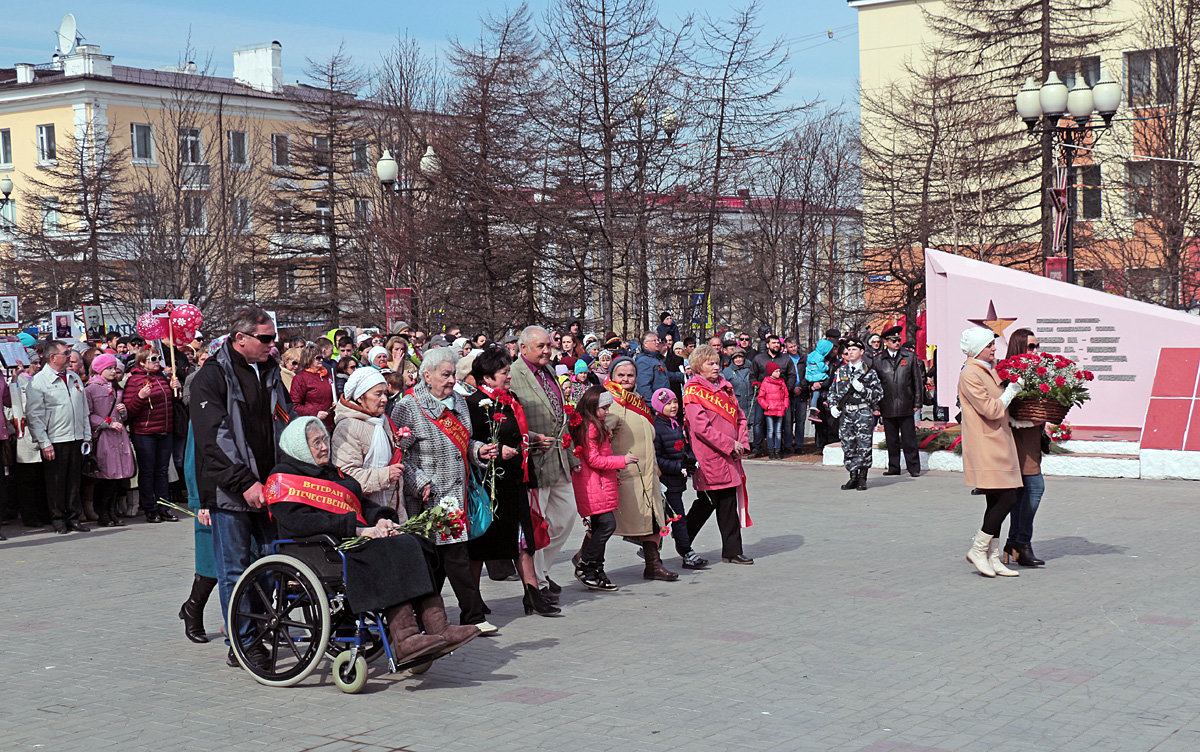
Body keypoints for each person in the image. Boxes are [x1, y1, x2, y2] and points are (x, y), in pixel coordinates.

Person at [267, 417, 479, 662]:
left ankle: (437, 626)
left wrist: (380, 519)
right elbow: (299, 522)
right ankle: (405, 638)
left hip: (351, 540)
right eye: (316, 442)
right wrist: (356, 530)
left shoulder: (331, 472)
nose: (325, 446)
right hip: (320, 549)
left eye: (325, 439)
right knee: (388, 552)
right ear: (300, 447)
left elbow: (361, 503)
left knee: (415, 542)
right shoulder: (283, 478)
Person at [191, 307, 295, 667]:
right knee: (235, 570)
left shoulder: (269, 371)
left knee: (272, 561)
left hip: (272, 484)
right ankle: (243, 642)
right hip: (231, 489)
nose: (272, 345)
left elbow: (286, 421)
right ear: (241, 338)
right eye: (265, 339)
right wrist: (244, 481)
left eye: (273, 339)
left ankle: (263, 630)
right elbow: (214, 439)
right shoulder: (211, 377)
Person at [392, 346, 500, 634]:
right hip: (432, 496)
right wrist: (419, 482)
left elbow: (465, 443)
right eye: (445, 374)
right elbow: (399, 454)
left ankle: (431, 617)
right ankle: (472, 615)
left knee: (441, 560)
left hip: (458, 490)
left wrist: (480, 451)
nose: (452, 380)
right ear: (427, 376)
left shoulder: (459, 403)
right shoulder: (408, 406)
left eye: (453, 374)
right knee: (453, 556)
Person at [465, 346, 561, 616]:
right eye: (503, 372)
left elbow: (515, 431)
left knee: (523, 540)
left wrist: (533, 439)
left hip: (515, 480)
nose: (509, 377)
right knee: (481, 544)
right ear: (486, 378)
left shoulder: (511, 399)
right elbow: (469, 442)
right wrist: (492, 451)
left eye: (508, 372)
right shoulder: (473, 405)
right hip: (490, 485)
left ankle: (532, 595)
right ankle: (471, 599)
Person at [509, 326, 578, 602]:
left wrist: (571, 455)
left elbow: (561, 417)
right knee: (538, 523)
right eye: (541, 346)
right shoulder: (515, 375)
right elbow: (513, 419)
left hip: (558, 458)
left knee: (565, 516)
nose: (547, 351)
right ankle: (536, 580)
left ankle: (543, 569)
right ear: (523, 348)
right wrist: (533, 440)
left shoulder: (549, 371)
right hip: (534, 462)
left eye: (549, 345)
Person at [595, 357, 676, 580]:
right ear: (611, 376)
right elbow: (598, 438)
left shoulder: (637, 400)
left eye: (630, 375)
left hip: (647, 473)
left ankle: (653, 565)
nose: (626, 379)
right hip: (624, 474)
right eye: (620, 375)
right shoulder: (609, 403)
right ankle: (586, 559)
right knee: (606, 523)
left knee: (652, 519)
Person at [958, 326, 1023, 578]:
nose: (994, 349)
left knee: (996, 499)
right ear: (977, 349)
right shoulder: (971, 374)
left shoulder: (987, 369)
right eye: (989, 346)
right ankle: (978, 548)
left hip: (998, 440)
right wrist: (1012, 391)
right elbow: (991, 409)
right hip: (986, 444)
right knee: (1009, 496)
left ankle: (992, 556)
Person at [682, 344, 753, 565]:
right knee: (706, 503)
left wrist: (741, 441)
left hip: (730, 456)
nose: (715, 367)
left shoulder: (725, 387)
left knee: (728, 503)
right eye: (709, 363)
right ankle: (680, 539)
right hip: (710, 456)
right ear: (697, 366)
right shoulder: (693, 391)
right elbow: (701, 429)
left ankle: (732, 551)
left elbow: (740, 417)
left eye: (716, 362)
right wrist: (729, 444)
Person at [23, 340, 92, 533]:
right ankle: (58, 518)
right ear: (53, 357)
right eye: (66, 353)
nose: (70, 356)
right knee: (56, 481)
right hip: (56, 438)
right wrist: (44, 442)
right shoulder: (39, 381)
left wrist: (86, 436)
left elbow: (83, 408)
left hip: (76, 436)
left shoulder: (73, 378)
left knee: (74, 481)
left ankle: (73, 516)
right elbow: (34, 415)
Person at [568, 386, 631, 591]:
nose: (606, 411)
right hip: (594, 484)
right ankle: (586, 565)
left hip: (600, 482)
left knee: (599, 527)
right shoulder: (591, 427)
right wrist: (622, 460)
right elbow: (594, 459)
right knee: (606, 525)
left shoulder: (596, 424)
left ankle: (596, 570)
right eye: (603, 407)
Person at [330, 365, 407, 517]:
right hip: (367, 515)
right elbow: (347, 476)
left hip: (393, 508)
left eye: (385, 393)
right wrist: (384, 476)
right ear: (360, 397)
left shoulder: (383, 421)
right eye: (378, 394)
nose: (384, 399)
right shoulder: (348, 427)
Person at [1003, 328, 1047, 568]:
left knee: (1022, 495)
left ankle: (1015, 544)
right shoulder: (1007, 371)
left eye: (1037, 346)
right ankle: (1021, 543)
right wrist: (1027, 420)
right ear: (1019, 346)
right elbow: (1003, 404)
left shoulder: (1038, 372)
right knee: (1034, 488)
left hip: (1032, 440)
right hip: (1015, 439)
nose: (1036, 351)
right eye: (1031, 346)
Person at [651, 388, 707, 569]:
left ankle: (650, 548)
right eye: (668, 403)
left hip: (677, 481)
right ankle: (686, 552)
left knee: (666, 518)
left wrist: (690, 460)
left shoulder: (675, 424)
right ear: (659, 407)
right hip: (666, 481)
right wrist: (679, 467)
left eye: (675, 402)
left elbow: (684, 448)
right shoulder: (657, 428)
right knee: (677, 517)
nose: (673, 406)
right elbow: (656, 458)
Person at [123, 349, 181, 523]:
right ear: (142, 362)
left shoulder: (161, 378)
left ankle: (164, 507)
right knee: (148, 471)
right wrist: (140, 397)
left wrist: (175, 390)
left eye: (158, 358)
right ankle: (150, 508)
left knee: (162, 471)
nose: (157, 361)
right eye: (153, 359)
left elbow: (171, 404)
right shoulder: (134, 380)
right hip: (144, 433)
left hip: (164, 431)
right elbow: (129, 410)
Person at [84, 354, 135, 528]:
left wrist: (123, 412)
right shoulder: (91, 389)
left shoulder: (118, 390)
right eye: (110, 368)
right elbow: (88, 415)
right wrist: (106, 423)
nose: (114, 372)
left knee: (117, 478)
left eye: (115, 369)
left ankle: (112, 511)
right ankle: (103, 513)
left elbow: (123, 417)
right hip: (104, 437)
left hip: (119, 436)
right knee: (105, 476)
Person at [827, 338, 883, 491]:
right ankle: (852, 476)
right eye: (848, 350)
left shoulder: (869, 373)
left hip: (863, 412)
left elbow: (878, 395)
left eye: (854, 350)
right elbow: (833, 391)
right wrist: (833, 406)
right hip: (846, 414)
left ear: (862, 352)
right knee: (848, 445)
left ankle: (862, 477)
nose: (850, 352)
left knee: (863, 445)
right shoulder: (841, 371)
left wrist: (862, 389)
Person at [874, 325, 924, 478]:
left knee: (909, 439)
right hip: (887, 404)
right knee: (891, 440)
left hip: (905, 403)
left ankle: (914, 467)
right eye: (893, 340)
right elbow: (875, 385)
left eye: (898, 340)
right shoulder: (878, 360)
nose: (897, 343)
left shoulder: (909, 357)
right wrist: (876, 405)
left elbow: (917, 381)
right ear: (886, 342)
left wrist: (917, 403)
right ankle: (894, 467)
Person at [290, 344, 336, 434]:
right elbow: (294, 405)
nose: (322, 360)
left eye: (322, 357)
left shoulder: (328, 374)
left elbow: (334, 392)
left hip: (330, 424)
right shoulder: (300, 378)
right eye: (318, 358)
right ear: (309, 359)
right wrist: (315, 413)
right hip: (313, 425)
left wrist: (335, 403)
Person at [634, 331, 685, 404]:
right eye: (654, 341)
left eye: (658, 340)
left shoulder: (656, 358)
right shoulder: (643, 361)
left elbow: (664, 375)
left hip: (663, 403)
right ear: (645, 344)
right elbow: (644, 386)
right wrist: (652, 406)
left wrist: (681, 376)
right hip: (655, 406)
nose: (658, 342)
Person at [756, 361, 790, 460]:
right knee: (770, 430)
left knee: (778, 431)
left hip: (779, 409)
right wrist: (766, 406)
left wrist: (785, 406)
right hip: (770, 410)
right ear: (771, 372)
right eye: (776, 371)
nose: (778, 373)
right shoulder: (765, 382)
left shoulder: (782, 382)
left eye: (779, 371)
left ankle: (777, 450)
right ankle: (771, 450)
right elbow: (760, 397)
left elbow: (786, 396)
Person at [805, 332, 838, 424]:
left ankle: (814, 409)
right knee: (815, 394)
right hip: (818, 379)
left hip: (813, 378)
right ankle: (813, 410)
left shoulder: (812, 355)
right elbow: (822, 368)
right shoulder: (820, 358)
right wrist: (826, 367)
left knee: (815, 394)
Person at [721, 349, 754, 420]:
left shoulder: (752, 368)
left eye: (740, 357)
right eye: (735, 358)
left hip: (751, 405)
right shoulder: (727, 371)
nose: (738, 359)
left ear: (744, 358)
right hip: (736, 405)